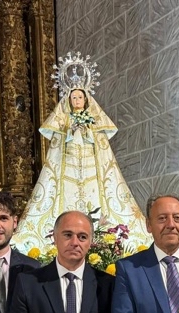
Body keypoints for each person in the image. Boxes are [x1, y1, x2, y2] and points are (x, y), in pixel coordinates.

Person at [12, 84, 149, 252]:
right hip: (68, 169)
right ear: (69, 101)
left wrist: (87, 131)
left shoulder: (93, 120)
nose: (77, 100)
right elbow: (57, 147)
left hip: (91, 169)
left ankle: (100, 242)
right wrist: (71, 130)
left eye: (80, 97)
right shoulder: (64, 120)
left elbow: (100, 145)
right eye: (74, 98)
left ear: (86, 100)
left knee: (95, 200)